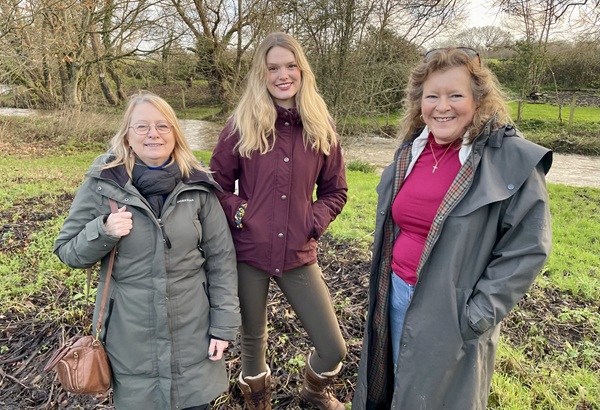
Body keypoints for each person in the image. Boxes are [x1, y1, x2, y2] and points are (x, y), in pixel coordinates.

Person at [352, 47, 552, 409]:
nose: (442, 106)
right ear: (419, 102)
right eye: (432, 96)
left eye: (455, 95)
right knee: (397, 384)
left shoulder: (510, 159)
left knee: (439, 400)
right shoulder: (411, 150)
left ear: (478, 99)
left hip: (453, 312)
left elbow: (527, 249)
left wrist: (476, 316)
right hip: (395, 294)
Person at [53, 92, 240, 410]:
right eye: (142, 126)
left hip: (194, 340)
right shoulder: (102, 183)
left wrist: (223, 327)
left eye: (162, 126)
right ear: (127, 133)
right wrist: (103, 230)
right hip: (131, 345)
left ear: (175, 133)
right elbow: (68, 252)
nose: (153, 134)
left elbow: (222, 262)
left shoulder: (199, 186)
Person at [209, 32, 348, 410]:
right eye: (273, 68)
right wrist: (242, 212)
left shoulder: (321, 127)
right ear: (262, 73)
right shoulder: (241, 124)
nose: (282, 74)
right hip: (249, 251)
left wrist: (312, 220)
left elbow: (336, 192)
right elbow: (215, 186)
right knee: (253, 340)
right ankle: (258, 403)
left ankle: (313, 392)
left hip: (298, 252)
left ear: (302, 70)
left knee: (333, 347)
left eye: (290, 66)